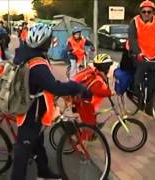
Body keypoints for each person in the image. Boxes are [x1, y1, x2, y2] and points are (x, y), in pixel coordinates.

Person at [11, 23, 91, 180]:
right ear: (46, 43)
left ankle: (43, 171)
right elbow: (55, 87)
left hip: (35, 110)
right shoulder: (37, 65)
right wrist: (77, 87)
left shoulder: (27, 54)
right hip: (29, 114)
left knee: (38, 142)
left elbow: (43, 84)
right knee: (22, 154)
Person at [126, 0, 155, 115]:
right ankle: (135, 95)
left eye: (149, 11)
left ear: (153, 12)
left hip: (152, 55)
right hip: (138, 54)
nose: (146, 14)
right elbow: (132, 39)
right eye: (144, 11)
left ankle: (149, 107)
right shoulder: (135, 22)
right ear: (140, 12)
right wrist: (138, 53)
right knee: (138, 80)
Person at [72, 53, 113, 126]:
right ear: (106, 68)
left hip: (83, 101)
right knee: (89, 126)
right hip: (85, 104)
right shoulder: (98, 79)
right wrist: (110, 93)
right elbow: (95, 91)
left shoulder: (95, 73)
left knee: (90, 121)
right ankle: (84, 136)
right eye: (109, 67)